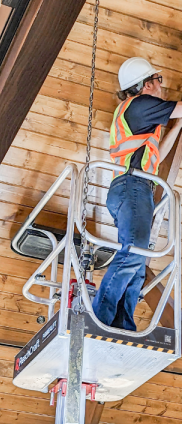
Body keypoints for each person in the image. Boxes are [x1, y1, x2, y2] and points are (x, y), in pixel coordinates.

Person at [92, 57, 182, 331]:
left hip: (132, 188)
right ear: (144, 85)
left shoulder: (140, 117)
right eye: (158, 80)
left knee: (138, 259)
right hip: (132, 188)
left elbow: (157, 155)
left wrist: (177, 126)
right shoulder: (140, 106)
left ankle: (122, 323)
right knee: (133, 254)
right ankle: (101, 318)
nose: (161, 86)